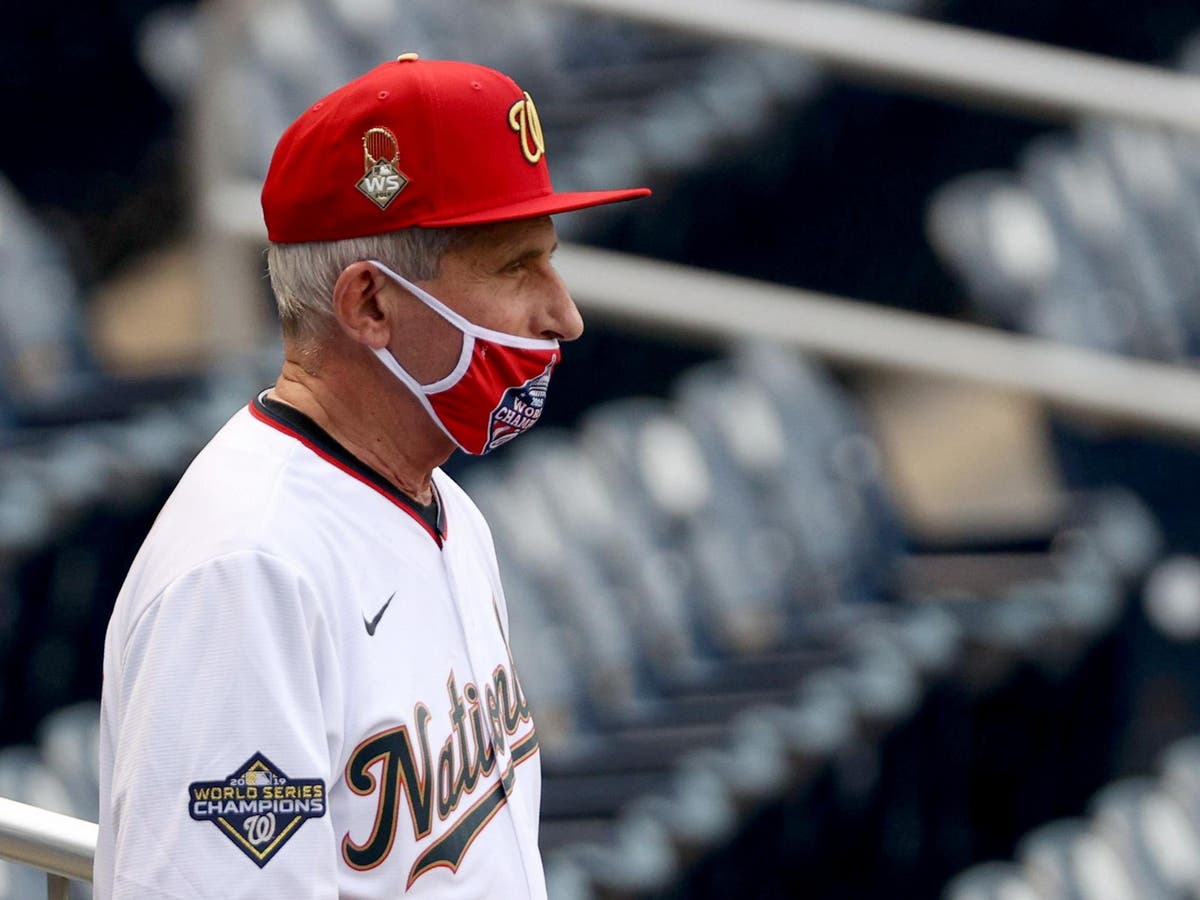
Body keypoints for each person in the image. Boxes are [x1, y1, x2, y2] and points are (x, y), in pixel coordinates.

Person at [95, 53, 649, 899]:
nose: (562, 313)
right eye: (515, 267)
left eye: (551, 259)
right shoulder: (247, 574)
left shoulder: (447, 505)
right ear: (371, 306)